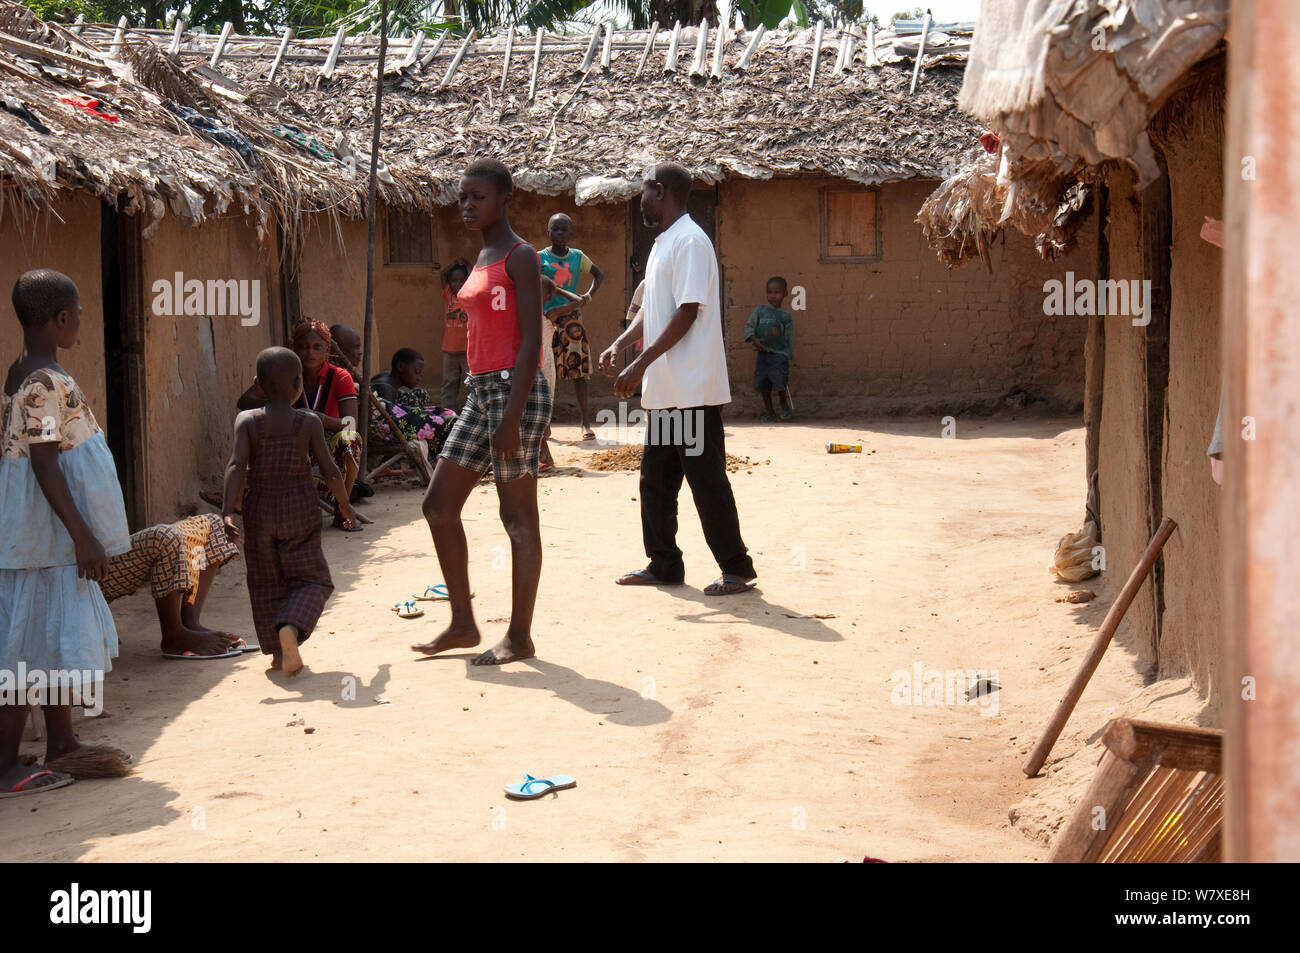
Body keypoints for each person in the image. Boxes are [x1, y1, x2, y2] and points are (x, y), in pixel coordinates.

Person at [414, 158, 552, 665]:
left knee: (516, 517)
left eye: (478, 197)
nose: (468, 205)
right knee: (438, 506)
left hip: (515, 392)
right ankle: (463, 622)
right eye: (463, 198)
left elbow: (532, 340)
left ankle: (519, 636)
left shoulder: (520, 256)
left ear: (505, 198)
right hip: (480, 392)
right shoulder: (482, 253)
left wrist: (512, 418)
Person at [1, 269, 133, 796]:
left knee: (49, 636)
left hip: (45, 533)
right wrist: (82, 535)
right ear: (59, 318)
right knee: (28, 649)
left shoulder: (27, 371)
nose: (81, 321)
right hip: (44, 534)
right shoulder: (42, 383)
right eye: (78, 313)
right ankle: (6, 765)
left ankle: (62, 742)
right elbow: (45, 465)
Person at [599, 162, 757, 596]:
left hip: (691, 389)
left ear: (661, 191)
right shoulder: (664, 242)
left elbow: (688, 311)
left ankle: (737, 569)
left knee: (706, 482)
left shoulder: (690, 241)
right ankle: (664, 564)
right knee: (656, 481)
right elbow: (653, 310)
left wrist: (640, 364)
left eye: (644, 191)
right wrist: (623, 343)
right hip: (668, 392)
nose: (641, 199)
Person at [221, 347, 358, 677]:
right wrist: (344, 504)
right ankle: (291, 628)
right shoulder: (308, 422)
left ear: (257, 385)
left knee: (266, 581)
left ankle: (278, 655)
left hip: (259, 512)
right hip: (300, 508)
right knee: (312, 579)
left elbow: (237, 465)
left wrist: (227, 512)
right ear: (299, 383)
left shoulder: (247, 421)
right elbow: (330, 471)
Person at [238, 320, 362, 531]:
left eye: (317, 347)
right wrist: (264, 387)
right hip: (295, 449)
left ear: (327, 350)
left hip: (329, 450)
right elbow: (243, 402)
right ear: (294, 349)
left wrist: (318, 418)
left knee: (350, 440)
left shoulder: (340, 377)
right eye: (303, 346)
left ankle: (341, 511)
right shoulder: (284, 374)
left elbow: (350, 424)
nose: (309, 353)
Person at [100, 514, 244, 658]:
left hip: (109, 551)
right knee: (166, 538)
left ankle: (189, 623)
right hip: (88, 571)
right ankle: (173, 635)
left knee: (211, 524)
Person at [540, 213, 603, 440]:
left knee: (579, 371)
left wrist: (586, 297)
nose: (559, 233)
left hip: (571, 320)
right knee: (544, 372)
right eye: (555, 229)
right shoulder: (539, 258)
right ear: (548, 231)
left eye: (564, 229)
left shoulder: (577, 257)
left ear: (571, 233)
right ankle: (544, 424)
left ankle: (585, 422)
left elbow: (599, 275)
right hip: (545, 320)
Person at [370, 348, 458, 461]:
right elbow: (390, 420)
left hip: (396, 412)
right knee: (447, 420)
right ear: (401, 367)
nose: (419, 377)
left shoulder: (387, 377)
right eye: (416, 372)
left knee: (425, 398)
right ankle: (446, 459)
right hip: (392, 427)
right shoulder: (384, 389)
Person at [743, 276, 796, 422]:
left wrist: (789, 354)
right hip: (763, 354)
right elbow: (749, 327)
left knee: (780, 381)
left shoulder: (785, 315)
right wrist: (754, 340)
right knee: (763, 384)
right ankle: (770, 411)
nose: (773, 295)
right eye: (769, 292)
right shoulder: (759, 311)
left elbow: (790, 335)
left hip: (779, 355)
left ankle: (784, 404)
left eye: (777, 292)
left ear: (785, 294)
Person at [440, 258, 471, 410]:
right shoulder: (448, 295)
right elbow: (443, 274)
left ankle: (469, 414)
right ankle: (447, 415)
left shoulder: (470, 295)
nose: (458, 284)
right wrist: (455, 263)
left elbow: (473, 277)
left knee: (470, 385)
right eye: (454, 281)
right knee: (449, 384)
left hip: (467, 350)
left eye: (461, 281)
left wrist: (468, 266)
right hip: (449, 350)